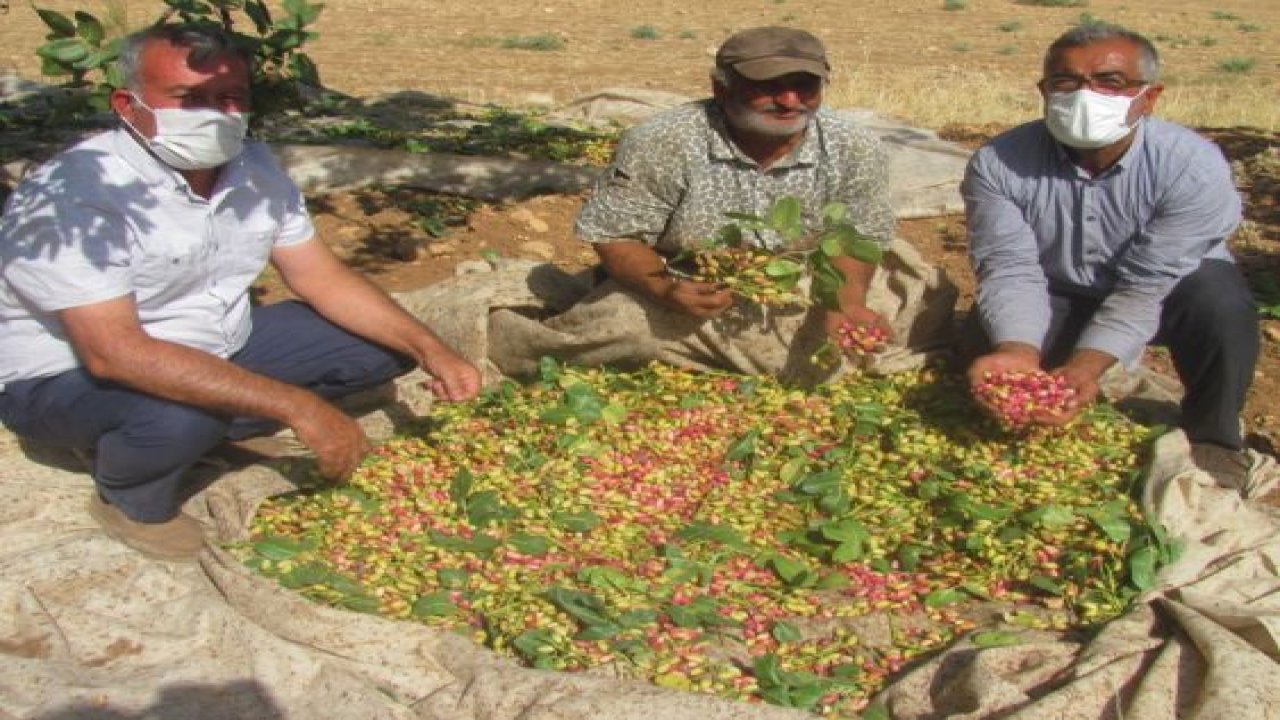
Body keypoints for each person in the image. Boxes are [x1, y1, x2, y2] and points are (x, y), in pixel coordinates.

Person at [0, 23, 482, 561]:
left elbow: (323, 279)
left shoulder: (252, 167)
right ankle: (130, 497)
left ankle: (215, 431)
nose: (214, 114)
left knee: (382, 343)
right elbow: (114, 354)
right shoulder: (75, 198)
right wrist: (301, 408)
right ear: (127, 104)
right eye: (189, 98)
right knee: (179, 415)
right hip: (67, 377)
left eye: (230, 98)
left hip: (211, 345)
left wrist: (432, 349)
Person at [488, 26, 954, 384]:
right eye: (769, 86)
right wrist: (665, 288)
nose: (790, 100)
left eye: (805, 85)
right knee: (615, 326)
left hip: (811, 277)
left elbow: (859, 235)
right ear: (720, 88)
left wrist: (845, 302)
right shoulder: (663, 141)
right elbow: (616, 236)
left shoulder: (854, 145)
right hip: (690, 282)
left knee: (919, 305)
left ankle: (730, 357)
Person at [961, 24, 1258, 486]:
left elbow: (1145, 286)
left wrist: (1086, 365)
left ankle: (1213, 437)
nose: (1085, 95)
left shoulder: (1192, 166)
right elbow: (1011, 267)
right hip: (1058, 287)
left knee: (1221, 304)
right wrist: (1016, 349)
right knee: (983, 350)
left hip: (1167, 291)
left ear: (1150, 96)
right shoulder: (999, 163)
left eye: (1109, 82)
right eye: (1066, 82)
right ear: (1044, 91)